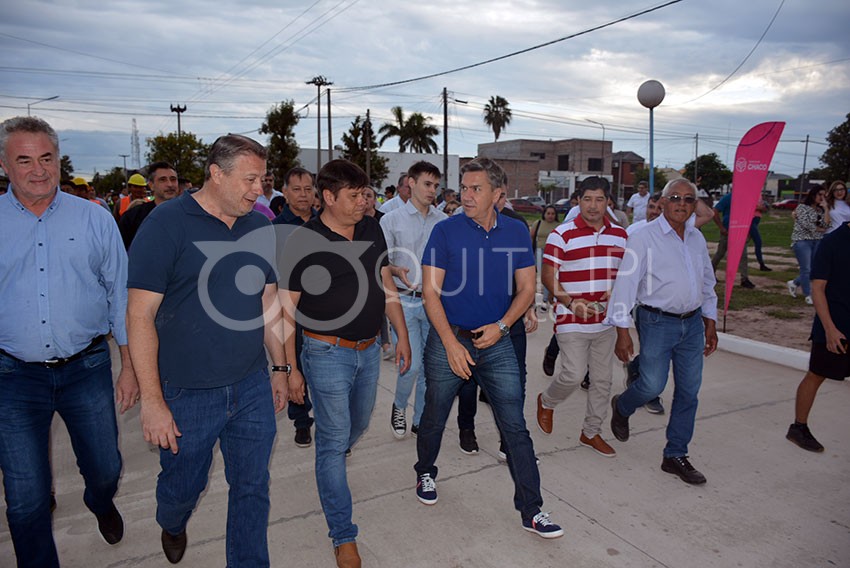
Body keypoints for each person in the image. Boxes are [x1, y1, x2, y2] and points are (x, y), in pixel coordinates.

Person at [126, 134, 288, 565]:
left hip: (251, 385)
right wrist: (153, 402)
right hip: (186, 394)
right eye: (250, 180)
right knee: (183, 488)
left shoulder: (259, 224)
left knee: (253, 487)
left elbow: (268, 301)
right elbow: (139, 316)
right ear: (216, 174)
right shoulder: (166, 225)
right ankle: (172, 520)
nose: (259, 190)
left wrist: (281, 368)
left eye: (262, 180)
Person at [0, 116, 138, 567]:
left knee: (106, 468)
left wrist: (130, 366)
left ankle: (101, 501)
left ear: (59, 160)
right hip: (13, 377)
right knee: (25, 500)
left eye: (46, 158)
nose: (37, 170)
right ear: (5, 164)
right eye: (24, 160)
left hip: (88, 368)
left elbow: (119, 293)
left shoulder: (95, 219)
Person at [415, 157, 564, 539]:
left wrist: (502, 327)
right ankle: (425, 472)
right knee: (434, 412)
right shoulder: (445, 232)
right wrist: (449, 343)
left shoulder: (515, 232)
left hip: (497, 340)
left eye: (475, 188)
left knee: (514, 424)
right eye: (463, 187)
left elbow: (528, 289)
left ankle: (532, 509)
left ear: (498, 194)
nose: (466, 194)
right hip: (450, 338)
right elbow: (430, 291)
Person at [280, 159, 410, 567]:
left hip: (370, 351)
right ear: (329, 197)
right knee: (334, 441)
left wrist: (401, 335)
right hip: (325, 353)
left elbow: (385, 281)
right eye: (354, 196)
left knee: (357, 425)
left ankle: (330, 458)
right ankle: (343, 534)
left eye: (365, 195)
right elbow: (285, 313)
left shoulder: (371, 227)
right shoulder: (302, 241)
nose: (363, 203)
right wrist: (288, 369)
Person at [606, 178, 719, 485]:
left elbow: (706, 280)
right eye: (675, 198)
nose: (681, 204)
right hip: (656, 321)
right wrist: (622, 330)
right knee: (652, 385)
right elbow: (626, 284)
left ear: (694, 206)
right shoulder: (643, 237)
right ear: (664, 202)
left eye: (687, 199)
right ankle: (623, 405)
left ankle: (675, 454)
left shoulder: (696, 238)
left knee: (688, 392)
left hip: (693, 324)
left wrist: (710, 319)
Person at [536, 177, 627, 458]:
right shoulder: (561, 234)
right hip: (570, 316)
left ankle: (591, 432)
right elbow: (549, 276)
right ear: (578, 201)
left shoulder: (621, 236)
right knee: (573, 374)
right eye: (587, 199)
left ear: (608, 202)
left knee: (602, 381)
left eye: (599, 199)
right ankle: (547, 401)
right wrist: (571, 302)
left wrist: (617, 297)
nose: (593, 205)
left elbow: (625, 276)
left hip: (605, 321)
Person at [381, 161, 446, 440]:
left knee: (431, 367)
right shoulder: (390, 219)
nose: (432, 191)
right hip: (403, 301)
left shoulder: (443, 223)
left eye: (435, 185)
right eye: (427, 184)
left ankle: (421, 417)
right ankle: (399, 407)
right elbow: (380, 264)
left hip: (435, 302)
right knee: (412, 363)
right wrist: (396, 270)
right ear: (411, 182)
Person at [786, 215, 849, 452]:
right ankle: (798, 427)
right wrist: (830, 329)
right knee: (816, 374)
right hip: (837, 324)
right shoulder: (832, 242)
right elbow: (817, 288)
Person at [273, 166, 320, 448]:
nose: (303, 195)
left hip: (324, 308)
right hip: (290, 311)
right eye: (297, 189)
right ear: (285, 192)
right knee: (295, 366)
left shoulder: (325, 222)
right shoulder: (275, 228)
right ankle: (301, 421)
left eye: (307, 189)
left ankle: (329, 424)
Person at [118, 161, 179, 250]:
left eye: (173, 179)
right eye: (162, 180)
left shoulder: (190, 215)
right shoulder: (133, 217)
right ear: (151, 185)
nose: (170, 185)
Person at [786, 185, 830, 305]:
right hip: (802, 240)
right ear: (813, 195)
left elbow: (826, 225)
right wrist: (820, 229)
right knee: (806, 268)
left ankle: (795, 283)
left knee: (813, 269)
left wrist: (826, 209)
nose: (822, 197)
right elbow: (808, 226)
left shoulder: (820, 210)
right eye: (820, 195)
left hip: (817, 240)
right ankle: (808, 294)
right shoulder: (802, 208)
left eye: (824, 195)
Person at [711, 190, 757, 289]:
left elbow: (748, 215)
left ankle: (744, 279)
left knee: (743, 255)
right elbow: (715, 211)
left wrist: (748, 231)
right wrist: (721, 227)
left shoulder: (746, 199)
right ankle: (710, 274)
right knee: (720, 254)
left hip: (740, 231)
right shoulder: (728, 198)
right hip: (728, 231)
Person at [749, 197, 772, 271]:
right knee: (758, 242)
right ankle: (761, 264)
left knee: (753, 242)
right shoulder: (751, 194)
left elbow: (762, 208)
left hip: (756, 220)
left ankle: (761, 264)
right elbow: (750, 206)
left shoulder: (759, 195)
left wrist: (763, 208)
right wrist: (760, 208)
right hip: (751, 219)